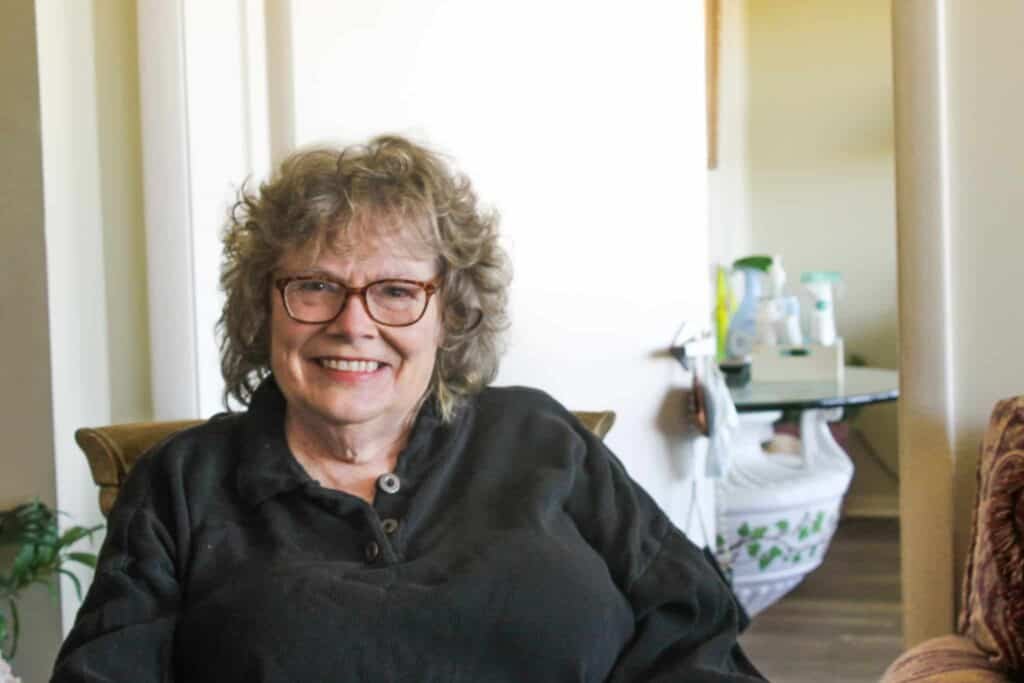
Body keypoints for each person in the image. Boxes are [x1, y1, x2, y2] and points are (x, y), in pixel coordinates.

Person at [51, 135, 764, 682]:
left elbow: (692, 628)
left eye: (395, 290)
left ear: (448, 314)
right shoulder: (184, 483)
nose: (353, 323)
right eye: (314, 286)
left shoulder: (541, 437)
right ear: (262, 307)